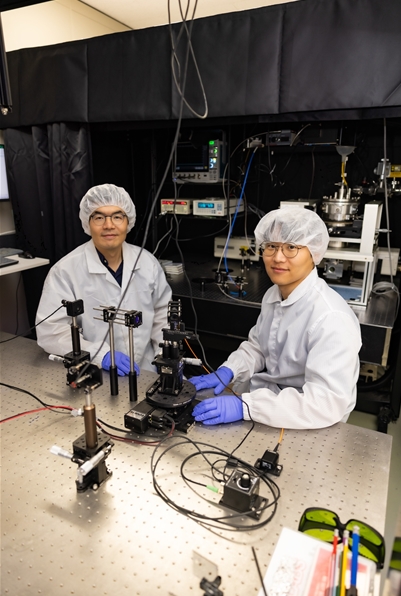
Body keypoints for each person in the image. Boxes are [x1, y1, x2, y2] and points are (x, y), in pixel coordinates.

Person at [191, 208, 362, 429]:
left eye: (291, 247)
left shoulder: (331, 318)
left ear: (314, 253)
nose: (278, 257)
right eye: (271, 246)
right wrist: (230, 370)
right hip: (273, 401)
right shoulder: (275, 294)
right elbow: (260, 347)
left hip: (313, 419)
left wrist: (245, 407)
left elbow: (324, 403)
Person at [36, 184, 172, 373]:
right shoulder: (65, 271)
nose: (109, 225)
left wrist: (163, 356)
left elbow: (162, 315)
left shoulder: (147, 263)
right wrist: (99, 354)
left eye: (117, 217)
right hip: (97, 371)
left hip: (147, 371)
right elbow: (51, 331)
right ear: (87, 223)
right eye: (99, 217)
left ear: (128, 222)